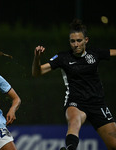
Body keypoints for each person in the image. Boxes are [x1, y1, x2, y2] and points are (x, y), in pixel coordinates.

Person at [32, 19, 116, 150]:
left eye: (79, 40)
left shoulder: (95, 53)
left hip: (98, 104)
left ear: (86, 40)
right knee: (74, 121)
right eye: (72, 41)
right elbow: (37, 73)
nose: (76, 44)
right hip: (76, 102)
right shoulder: (63, 57)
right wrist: (36, 58)